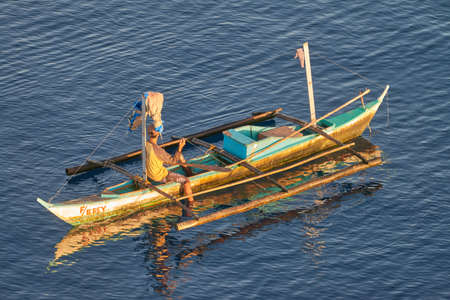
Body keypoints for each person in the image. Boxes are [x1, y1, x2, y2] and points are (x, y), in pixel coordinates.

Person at [145, 124, 194, 205]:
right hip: (159, 176)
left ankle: (190, 174)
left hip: (149, 174)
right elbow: (173, 161)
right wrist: (180, 147)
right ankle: (191, 203)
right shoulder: (158, 150)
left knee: (180, 156)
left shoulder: (146, 144)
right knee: (186, 181)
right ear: (159, 134)